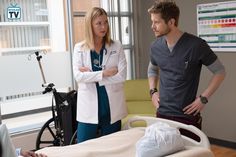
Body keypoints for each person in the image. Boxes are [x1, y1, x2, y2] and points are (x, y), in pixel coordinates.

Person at [147, 0, 226, 141]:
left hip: (187, 116)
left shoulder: (196, 45)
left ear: (171, 22)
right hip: (162, 114)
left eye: (156, 22)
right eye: (152, 21)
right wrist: (153, 91)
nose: (152, 26)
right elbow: (152, 69)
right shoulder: (155, 46)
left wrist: (203, 98)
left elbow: (220, 71)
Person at [73, 7, 127, 143]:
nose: (104, 27)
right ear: (90, 25)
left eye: (106, 22)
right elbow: (78, 76)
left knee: (112, 148)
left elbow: (122, 76)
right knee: (83, 148)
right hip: (88, 107)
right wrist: (104, 73)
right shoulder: (79, 48)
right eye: (99, 23)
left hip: (111, 107)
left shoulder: (116, 46)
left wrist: (92, 76)